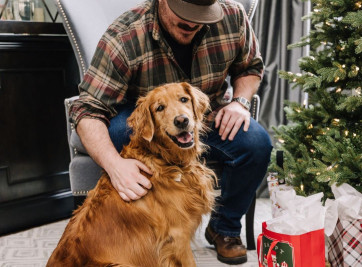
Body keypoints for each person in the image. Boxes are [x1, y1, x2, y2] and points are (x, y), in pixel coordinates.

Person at [69, 0, 272, 264]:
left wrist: (240, 102)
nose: (193, 23)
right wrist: (115, 165)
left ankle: (225, 229)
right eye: (185, 15)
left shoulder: (232, 15)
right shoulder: (125, 35)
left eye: (202, 16)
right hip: (145, 122)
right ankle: (145, 227)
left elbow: (251, 68)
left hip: (205, 116)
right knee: (119, 134)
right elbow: (87, 108)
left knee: (257, 143)